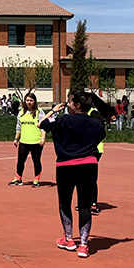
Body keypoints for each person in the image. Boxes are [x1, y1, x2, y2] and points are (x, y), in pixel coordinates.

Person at [38, 91, 109, 258]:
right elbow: (100, 136)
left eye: (69, 102)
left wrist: (53, 111)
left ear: (77, 105)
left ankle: (69, 239)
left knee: (65, 203)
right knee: (84, 205)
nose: (67, 104)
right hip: (89, 166)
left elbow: (42, 124)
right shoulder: (96, 123)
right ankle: (84, 245)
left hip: (66, 166)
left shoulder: (61, 120)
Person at [9, 92, 46, 187]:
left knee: (36, 160)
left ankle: (36, 179)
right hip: (24, 141)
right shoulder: (21, 113)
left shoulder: (39, 112)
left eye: (31, 100)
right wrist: (16, 138)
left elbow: (43, 127)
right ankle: (18, 178)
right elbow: (19, 127)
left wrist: (43, 138)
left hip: (36, 141)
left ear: (34, 101)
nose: (29, 102)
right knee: (20, 160)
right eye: (27, 100)